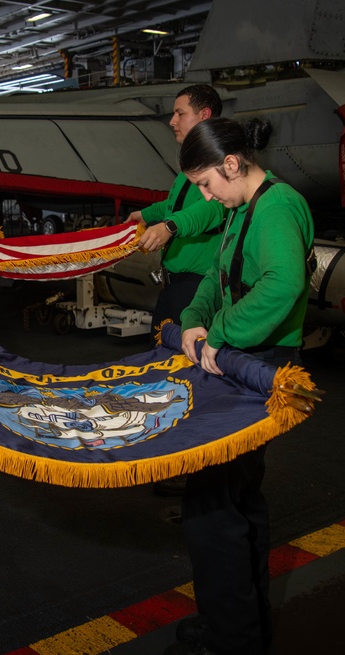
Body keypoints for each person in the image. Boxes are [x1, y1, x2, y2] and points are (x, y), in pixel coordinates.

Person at [163, 117, 314, 655]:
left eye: (206, 183)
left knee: (210, 509)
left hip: (257, 365)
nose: (206, 195)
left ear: (232, 164)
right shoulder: (241, 209)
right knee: (240, 500)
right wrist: (195, 319)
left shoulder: (276, 207)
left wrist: (219, 335)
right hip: (236, 357)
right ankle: (241, 625)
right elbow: (216, 279)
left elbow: (283, 284)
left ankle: (232, 646)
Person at [124, 83, 226, 497]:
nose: (172, 121)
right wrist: (146, 215)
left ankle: (187, 463)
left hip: (195, 290)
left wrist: (169, 228)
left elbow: (208, 209)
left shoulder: (219, 165)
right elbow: (175, 205)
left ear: (204, 116)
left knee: (183, 372)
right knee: (164, 367)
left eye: (179, 113)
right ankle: (170, 454)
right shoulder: (190, 165)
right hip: (176, 286)